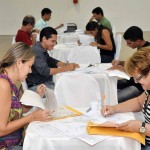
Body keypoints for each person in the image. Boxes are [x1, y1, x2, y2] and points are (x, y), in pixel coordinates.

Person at [0, 42, 52, 149]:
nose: (30, 70)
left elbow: (14, 113)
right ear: (19, 63)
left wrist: (36, 96)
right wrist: (31, 117)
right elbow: (1, 129)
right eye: (29, 66)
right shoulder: (3, 85)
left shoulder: (10, 83)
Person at [101, 46, 150, 150]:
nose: (136, 82)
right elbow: (138, 102)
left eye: (138, 78)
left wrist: (141, 127)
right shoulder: (148, 91)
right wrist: (114, 108)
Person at [26, 26, 79, 91]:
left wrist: (65, 64)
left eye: (55, 42)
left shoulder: (40, 48)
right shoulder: (37, 51)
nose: (54, 44)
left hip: (43, 82)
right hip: (38, 86)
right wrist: (66, 68)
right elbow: (45, 71)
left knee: (67, 87)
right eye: (52, 41)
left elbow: (50, 60)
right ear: (44, 39)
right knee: (66, 91)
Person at [112, 26, 150, 103]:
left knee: (114, 99)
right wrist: (120, 62)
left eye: (129, 43)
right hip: (134, 81)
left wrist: (123, 69)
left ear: (138, 41)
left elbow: (140, 73)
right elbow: (135, 63)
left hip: (141, 87)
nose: (127, 45)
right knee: (112, 85)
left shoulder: (147, 51)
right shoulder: (140, 47)